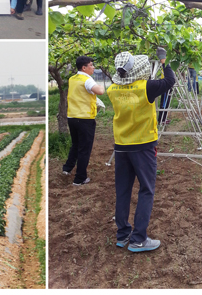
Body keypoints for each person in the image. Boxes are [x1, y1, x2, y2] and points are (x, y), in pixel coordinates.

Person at [107, 48, 175, 253]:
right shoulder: (146, 87)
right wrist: (164, 61)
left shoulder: (112, 90)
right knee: (146, 189)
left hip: (121, 146)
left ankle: (123, 235)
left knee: (123, 190)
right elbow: (170, 81)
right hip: (143, 145)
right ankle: (138, 239)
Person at [62, 56, 105, 185]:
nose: (93, 67)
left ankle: (67, 168)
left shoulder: (72, 79)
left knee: (75, 144)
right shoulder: (86, 80)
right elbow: (100, 91)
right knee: (84, 149)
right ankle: (80, 178)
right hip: (85, 119)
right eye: (91, 65)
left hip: (72, 117)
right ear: (84, 68)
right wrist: (99, 86)